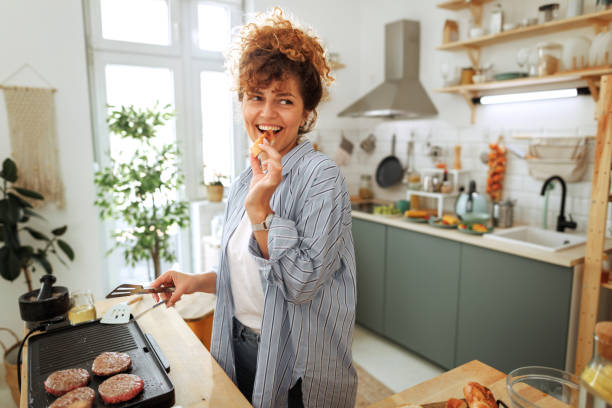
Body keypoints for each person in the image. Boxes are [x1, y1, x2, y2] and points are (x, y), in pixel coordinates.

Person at [151, 8, 357, 407]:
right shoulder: (248, 175)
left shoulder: (322, 177)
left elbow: (300, 286)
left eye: (284, 100)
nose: (266, 114)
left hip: (295, 358)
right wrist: (197, 281)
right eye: (255, 98)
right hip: (238, 342)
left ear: (306, 111)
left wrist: (261, 211)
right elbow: (254, 274)